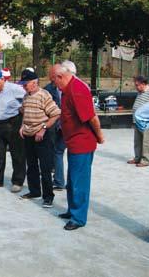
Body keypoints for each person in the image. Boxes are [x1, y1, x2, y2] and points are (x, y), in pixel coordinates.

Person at [53, 61, 104, 230]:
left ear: (61, 77)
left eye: (54, 81)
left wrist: (100, 136)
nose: (54, 85)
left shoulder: (77, 90)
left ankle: (78, 218)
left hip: (82, 142)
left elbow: (92, 118)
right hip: (73, 141)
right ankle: (72, 210)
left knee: (79, 181)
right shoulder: (67, 89)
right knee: (72, 179)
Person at [19, 69, 60, 208]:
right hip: (28, 135)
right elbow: (24, 113)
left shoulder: (44, 95)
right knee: (31, 166)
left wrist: (43, 129)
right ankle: (34, 191)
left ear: (34, 82)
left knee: (45, 167)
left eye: (26, 83)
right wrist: (22, 126)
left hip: (42, 136)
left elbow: (55, 114)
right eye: (23, 83)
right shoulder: (26, 96)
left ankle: (48, 196)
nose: (24, 86)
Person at [44, 63, 74, 190]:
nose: (53, 81)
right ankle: (60, 181)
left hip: (66, 126)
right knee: (58, 151)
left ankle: (59, 181)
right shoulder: (49, 88)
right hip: (57, 126)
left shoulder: (73, 88)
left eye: (54, 78)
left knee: (58, 152)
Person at [128, 76, 149, 167]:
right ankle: (138, 158)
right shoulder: (140, 92)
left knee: (146, 141)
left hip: (146, 122)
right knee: (137, 141)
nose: (136, 87)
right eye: (135, 85)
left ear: (144, 84)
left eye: (137, 85)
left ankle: (146, 160)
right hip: (137, 121)